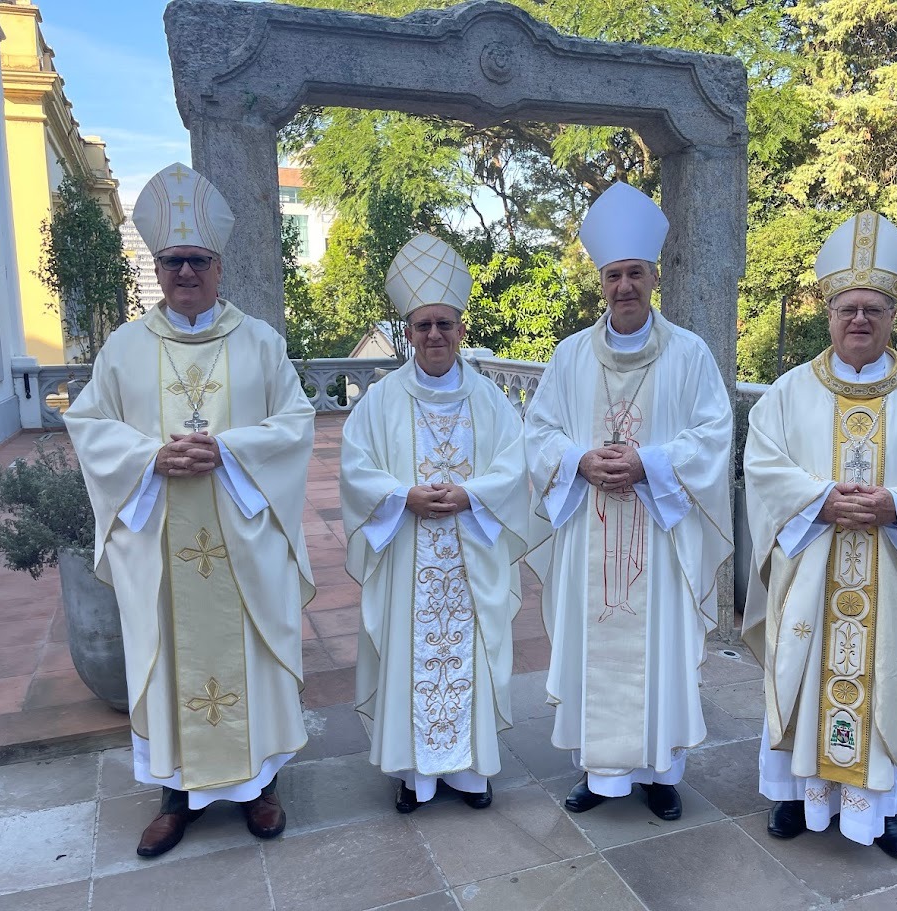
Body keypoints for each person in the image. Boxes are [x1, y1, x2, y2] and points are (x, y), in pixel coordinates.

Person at [64, 162, 315, 858]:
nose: (183, 272)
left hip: (241, 545)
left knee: (250, 654)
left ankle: (259, 786)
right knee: (168, 654)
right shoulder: (125, 349)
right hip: (164, 543)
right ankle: (175, 795)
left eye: (195, 260)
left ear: (218, 264)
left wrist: (227, 452)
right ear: (158, 264)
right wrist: (151, 459)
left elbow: (296, 423)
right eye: (172, 260)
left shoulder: (259, 342)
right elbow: (89, 425)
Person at [741, 211, 897, 858]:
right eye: (847, 307)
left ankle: (882, 810)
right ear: (828, 313)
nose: (858, 320)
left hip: (891, 576)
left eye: (872, 309)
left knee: (887, 680)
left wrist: (895, 505)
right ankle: (792, 796)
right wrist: (819, 501)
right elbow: (761, 466)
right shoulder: (788, 393)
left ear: (893, 316)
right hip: (810, 569)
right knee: (800, 673)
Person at [524, 182, 733, 822]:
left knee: (660, 649)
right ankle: (600, 771)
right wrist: (579, 460)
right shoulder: (567, 357)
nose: (624, 287)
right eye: (613, 275)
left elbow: (715, 430)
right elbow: (538, 432)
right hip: (590, 524)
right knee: (595, 645)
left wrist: (649, 462)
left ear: (653, 277)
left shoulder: (691, 354)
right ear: (602, 281)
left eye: (635, 274)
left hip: (660, 537)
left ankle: (661, 772)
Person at [340, 233, 529, 813]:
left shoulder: (491, 399)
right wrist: (403, 496)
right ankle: (414, 773)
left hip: (470, 555)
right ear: (408, 332)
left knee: (467, 651)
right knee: (408, 651)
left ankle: (470, 770)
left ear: (462, 329)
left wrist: (471, 495)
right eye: (423, 325)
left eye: (445, 324)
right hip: (407, 553)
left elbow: (515, 462)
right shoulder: (380, 399)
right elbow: (356, 466)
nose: (434, 335)